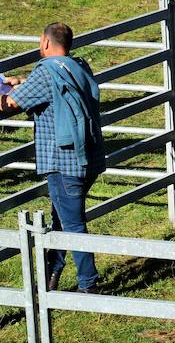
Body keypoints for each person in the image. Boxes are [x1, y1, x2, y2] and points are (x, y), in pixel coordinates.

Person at [0, 23, 105, 292]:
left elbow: (12, 103)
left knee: (73, 225)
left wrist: (7, 90)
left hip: (63, 163)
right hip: (88, 159)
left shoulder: (45, 73)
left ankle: (88, 285)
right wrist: (21, 81)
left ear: (45, 42)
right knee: (62, 217)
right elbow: (46, 86)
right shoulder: (77, 66)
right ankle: (52, 274)